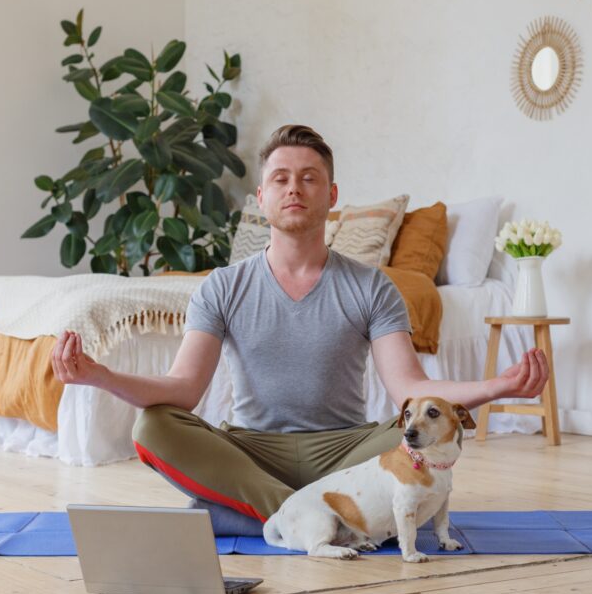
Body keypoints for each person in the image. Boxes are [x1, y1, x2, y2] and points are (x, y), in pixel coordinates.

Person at [50, 124, 549, 534]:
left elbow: (410, 391)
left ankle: (248, 518)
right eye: (282, 178)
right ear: (261, 197)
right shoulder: (221, 287)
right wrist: (99, 375)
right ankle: (321, 517)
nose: (295, 188)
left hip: (345, 452)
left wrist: (498, 386)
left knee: (408, 439)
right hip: (250, 450)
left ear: (331, 196)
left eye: (310, 178)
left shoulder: (373, 287)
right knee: (154, 425)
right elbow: (181, 391)